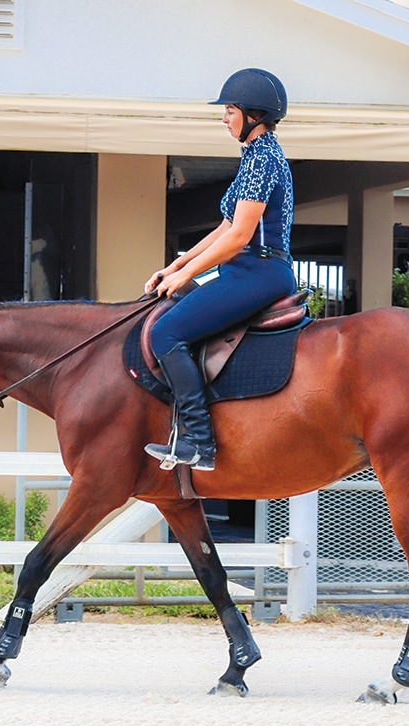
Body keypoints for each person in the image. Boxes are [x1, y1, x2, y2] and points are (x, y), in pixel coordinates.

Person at [143, 68, 297, 472]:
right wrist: (176, 265)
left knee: (166, 331)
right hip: (248, 268)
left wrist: (184, 274)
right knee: (174, 303)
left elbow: (239, 237)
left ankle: (198, 441)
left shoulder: (263, 160)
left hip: (258, 271)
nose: (224, 118)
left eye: (229, 110)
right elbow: (226, 226)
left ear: (253, 114)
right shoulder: (255, 158)